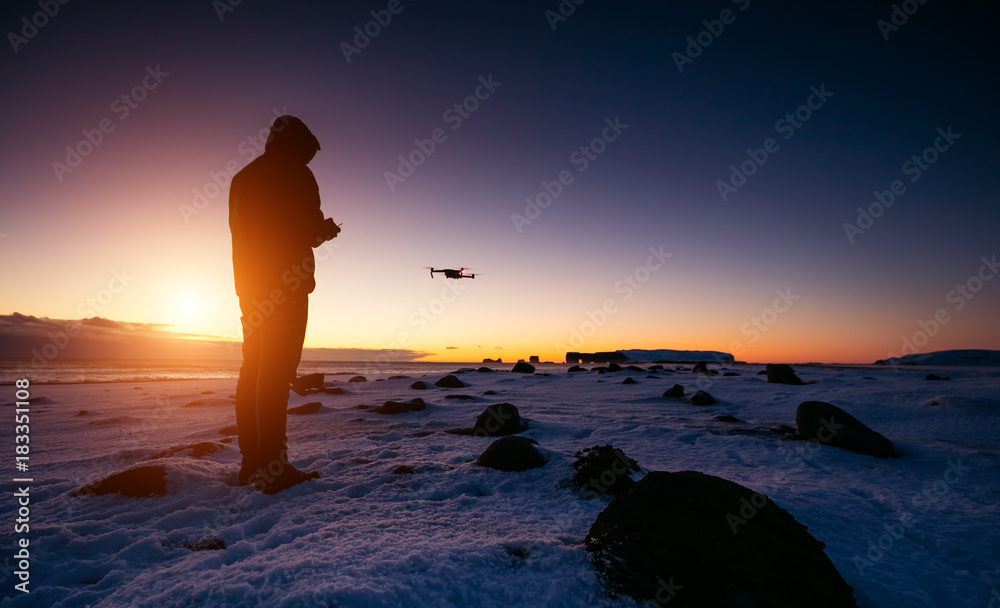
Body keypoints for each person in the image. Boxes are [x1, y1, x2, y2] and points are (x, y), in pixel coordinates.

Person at [228, 115, 340, 494]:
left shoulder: (242, 178)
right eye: (308, 153)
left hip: (249, 286)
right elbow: (305, 230)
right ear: (297, 146)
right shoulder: (296, 175)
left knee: (254, 370)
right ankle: (274, 469)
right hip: (285, 286)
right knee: (275, 373)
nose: (310, 161)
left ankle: (252, 464)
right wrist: (325, 231)